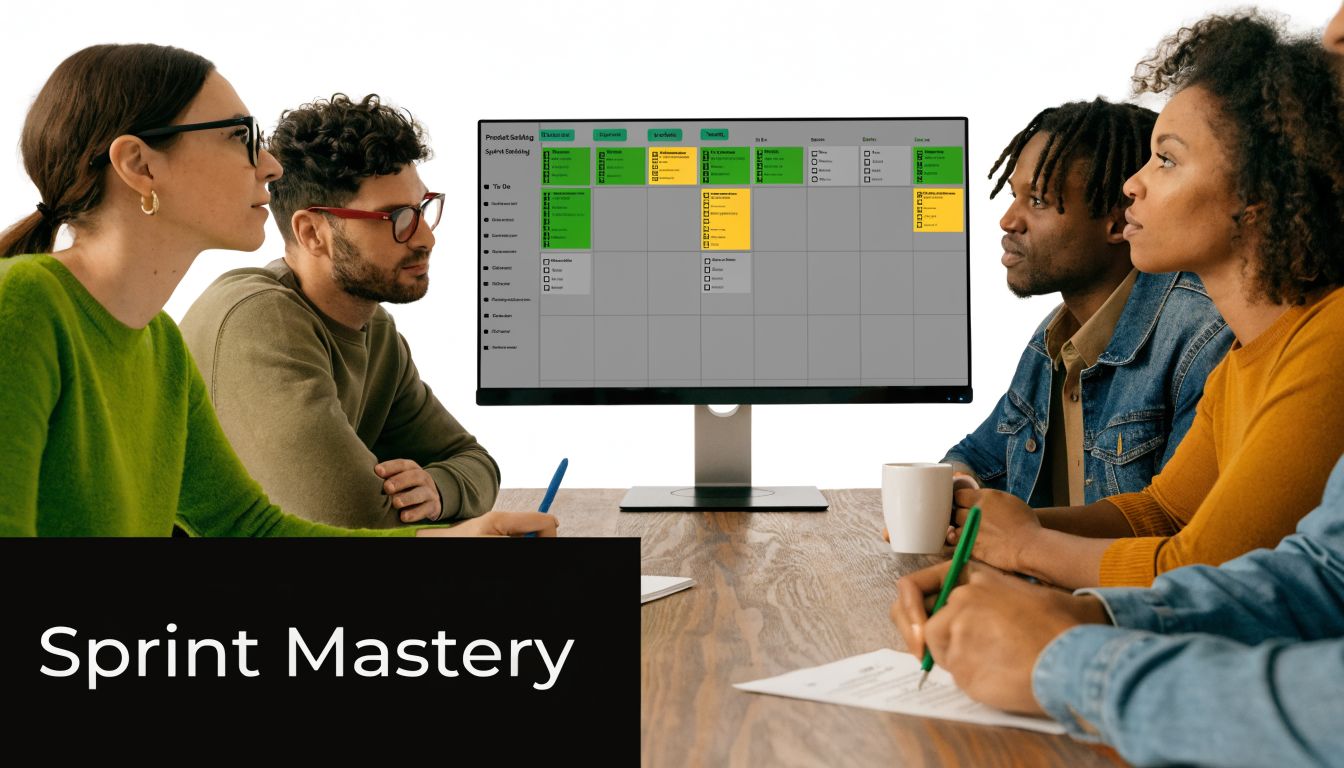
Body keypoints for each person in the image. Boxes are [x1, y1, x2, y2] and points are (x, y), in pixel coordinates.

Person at [0, 43, 552, 538]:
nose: (268, 165)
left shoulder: (159, 344)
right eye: (240, 137)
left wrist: (449, 541)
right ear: (140, 165)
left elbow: (250, 528)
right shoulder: (25, 305)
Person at [949, 10, 1344, 588]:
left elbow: (1199, 569)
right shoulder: (1244, 359)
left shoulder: (1327, 348)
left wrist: (1027, 545)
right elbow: (1161, 512)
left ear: (1259, 196)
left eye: (1166, 159)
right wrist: (1014, 524)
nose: (1132, 185)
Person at [180, 94, 496, 528]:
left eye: (422, 209)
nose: (425, 238)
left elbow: (474, 461)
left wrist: (438, 489)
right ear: (312, 233)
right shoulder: (258, 320)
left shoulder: (374, 330)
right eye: (396, 218)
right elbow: (350, 518)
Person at [943, 98, 1230, 508]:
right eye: (1014, 195)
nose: (1009, 220)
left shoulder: (1199, 338)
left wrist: (1021, 538)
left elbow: (1175, 530)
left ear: (1117, 223)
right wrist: (964, 494)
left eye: (1038, 201)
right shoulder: (1055, 339)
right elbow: (976, 458)